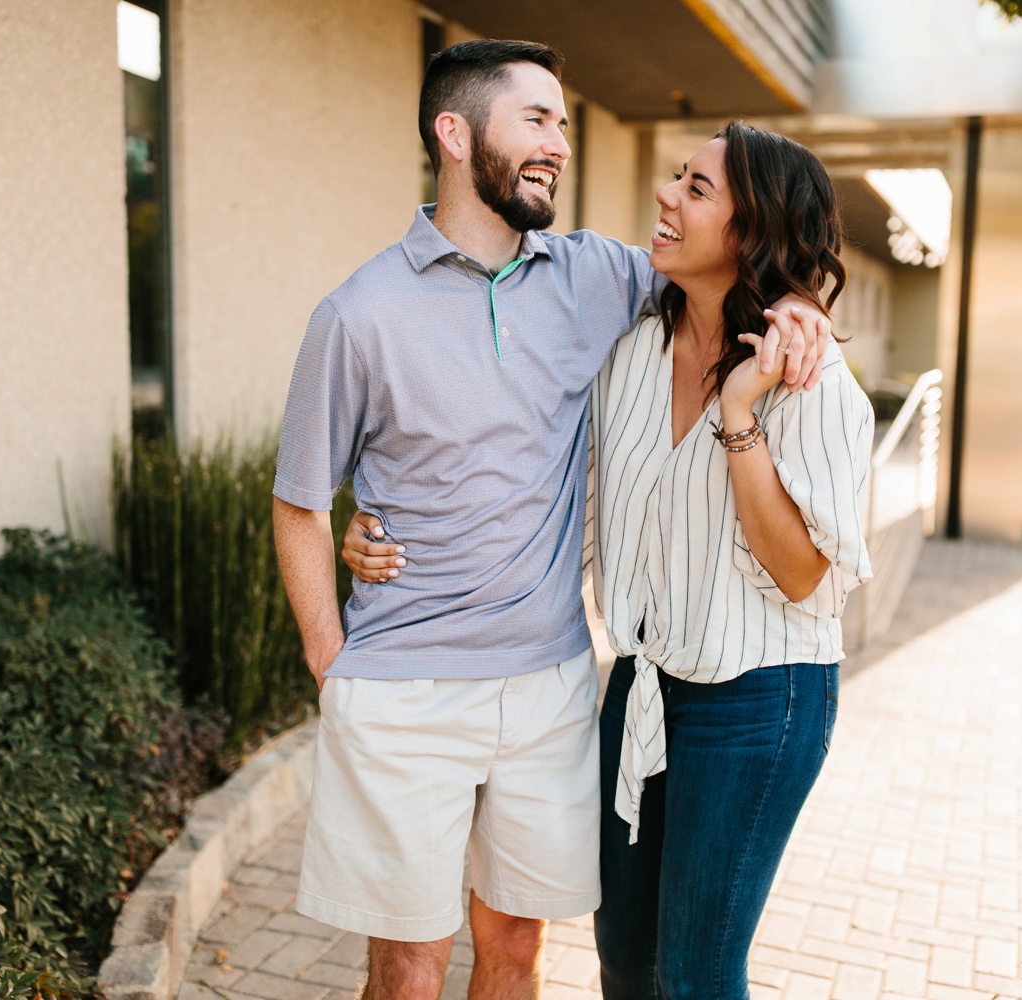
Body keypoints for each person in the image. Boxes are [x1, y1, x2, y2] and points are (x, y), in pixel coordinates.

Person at [271, 40, 832, 1000]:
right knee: (409, 967)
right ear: (455, 135)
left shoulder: (596, 276)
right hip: (404, 688)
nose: (560, 144)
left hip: (550, 684)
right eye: (536, 119)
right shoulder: (357, 314)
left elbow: (724, 264)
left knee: (517, 949)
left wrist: (796, 306)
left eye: (564, 124)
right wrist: (333, 661)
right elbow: (299, 502)